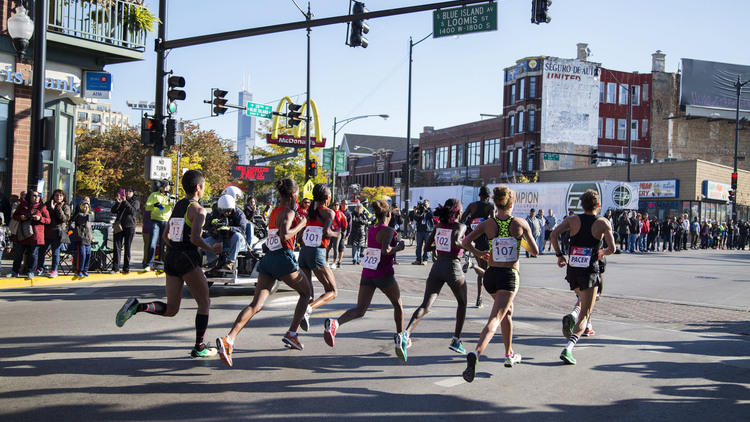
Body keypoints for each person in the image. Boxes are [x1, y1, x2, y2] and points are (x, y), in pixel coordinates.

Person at [116, 170, 223, 358]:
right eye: (204, 185)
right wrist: (212, 249)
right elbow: (195, 238)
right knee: (204, 302)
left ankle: (137, 306)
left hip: (171, 258)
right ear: (198, 187)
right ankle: (199, 347)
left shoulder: (179, 206)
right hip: (187, 258)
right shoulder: (198, 210)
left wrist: (176, 248)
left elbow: (166, 236)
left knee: (172, 309)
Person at [216, 178, 312, 367]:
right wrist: (302, 224)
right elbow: (285, 235)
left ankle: (230, 339)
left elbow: (281, 234)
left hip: (268, 260)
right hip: (283, 258)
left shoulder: (275, 211)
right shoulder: (288, 211)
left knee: (256, 304)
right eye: (298, 194)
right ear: (293, 195)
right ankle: (292, 333)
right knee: (306, 292)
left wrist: (297, 227)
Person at [461, 186, 539, 382]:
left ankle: (509, 353)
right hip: (508, 276)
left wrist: (479, 254)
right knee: (495, 318)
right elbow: (536, 251)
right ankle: (476, 353)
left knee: (507, 312)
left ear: (496, 204)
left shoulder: (488, 224)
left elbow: (465, 242)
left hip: (491, 275)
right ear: (512, 204)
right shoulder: (520, 224)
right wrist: (520, 241)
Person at [322, 200, 408, 361]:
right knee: (398, 306)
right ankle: (400, 337)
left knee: (360, 309)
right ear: (388, 214)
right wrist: (399, 248)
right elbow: (386, 250)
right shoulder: (388, 230)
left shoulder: (371, 229)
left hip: (368, 273)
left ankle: (336, 324)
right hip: (384, 273)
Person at [551, 189, 615, 365]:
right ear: (598, 205)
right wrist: (602, 252)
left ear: (581, 204)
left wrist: (559, 255)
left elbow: (553, 234)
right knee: (586, 314)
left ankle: (573, 312)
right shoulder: (602, 223)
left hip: (573, 270)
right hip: (590, 271)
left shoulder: (572, 220)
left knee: (581, 297)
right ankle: (569, 348)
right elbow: (613, 248)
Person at [405, 198, 468, 354]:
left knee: (425, 305)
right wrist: (473, 250)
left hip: (437, 267)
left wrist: (440, 246)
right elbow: (456, 240)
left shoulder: (439, 226)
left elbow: (426, 247)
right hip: (453, 266)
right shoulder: (461, 226)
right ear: (459, 212)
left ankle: (405, 334)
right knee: (462, 303)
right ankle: (456, 340)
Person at [298, 184, 340, 332]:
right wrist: (337, 234)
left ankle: (296, 328)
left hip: (304, 253)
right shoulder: (329, 212)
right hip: (317, 253)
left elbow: (300, 234)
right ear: (327, 198)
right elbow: (327, 232)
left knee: (308, 292)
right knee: (332, 291)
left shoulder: (309, 212)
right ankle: (309, 309)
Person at [460, 186, 495, 308]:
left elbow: (462, 219)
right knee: (487, 269)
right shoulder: (490, 207)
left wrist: (468, 230)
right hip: (485, 240)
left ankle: (479, 297)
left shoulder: (472, 205)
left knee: (482, 268)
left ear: (479, 195)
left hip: (473, 239)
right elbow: (493, 223)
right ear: (489, 196)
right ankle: (485, 297)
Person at [10, 190, 51, 279]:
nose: (36, 198)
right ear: (30, 196)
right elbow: (15, 216)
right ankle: (14, 271)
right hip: (23, 233)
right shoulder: (23, 205)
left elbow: (48, 220)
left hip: (36, 234)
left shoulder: (42, 207)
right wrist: (21, 217)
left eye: (38, 196)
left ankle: (31, 271)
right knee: (18, 253)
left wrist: (39, 218)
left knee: (33, 254)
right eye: (34, 196)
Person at [203, 194, 247, 272]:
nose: (227, 213)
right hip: (220, 238)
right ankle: (212, 260)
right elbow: (206, 227)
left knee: (237, 236)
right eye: (224, 211)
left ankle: (230, 261)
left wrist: (230, 228)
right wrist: (213, 227)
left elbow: (242, 229)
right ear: (219, 209)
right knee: (206, 241)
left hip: (235, 240)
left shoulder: (239, 214)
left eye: (229, 211)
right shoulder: (215, 213)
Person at [39, 189, 70, 278]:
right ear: (53, 196)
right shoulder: (47, 205)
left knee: (55, 252)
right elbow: (46, 216)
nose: (58, 197)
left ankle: (54, 270)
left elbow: (64, 219)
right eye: (56, 195)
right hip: (47, 231)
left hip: (58, 232)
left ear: (63, 197)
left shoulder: (65, 206)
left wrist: (57, 209)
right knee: (42, 251)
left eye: (60, 196)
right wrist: (51, 208)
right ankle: (40, 268)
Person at [144, 179, 174, 271]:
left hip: (166, 221)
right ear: (160, 187)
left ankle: (161, 263)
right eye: (163, 186)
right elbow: (147, 207)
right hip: (155, 220)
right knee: (153, 242)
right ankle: (149, 264)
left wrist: (171, 201)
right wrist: (155, 205)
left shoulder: (171, 196)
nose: (165, 188)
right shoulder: (154, 195)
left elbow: (174, 207)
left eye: (167, 186)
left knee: (163, 243)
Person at [112, 187, 139, 274]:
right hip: (119, 226)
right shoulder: (121, 201)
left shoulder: (135, 202)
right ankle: (115, 267)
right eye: (126, 191)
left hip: (129, 226)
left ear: (133, 193)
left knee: (127, 247)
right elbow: (113, 210)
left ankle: (126, 267)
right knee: (117, 246)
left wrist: (125, 202)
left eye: (130, 192)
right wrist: (118, 203)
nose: (127, 193)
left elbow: (133, 211)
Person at [70, 198, 93, 278]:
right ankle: (79, 269)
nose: (85, 208)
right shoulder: (79, 215)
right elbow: (81, 220)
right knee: (82, 254)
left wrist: (91, 237)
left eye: (87, 207)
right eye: (84, 206)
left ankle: (85, 270)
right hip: (81, 239)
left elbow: (90, 229)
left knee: (88, 254)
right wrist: (89, 215)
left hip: (88, 239)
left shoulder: (89, 216)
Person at [411, 200, 433, 265]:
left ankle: (425, 260)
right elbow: (415, 218)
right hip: (420, 231)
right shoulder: (420, 211)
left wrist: (426, 209)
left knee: (427, 246)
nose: (424, 205)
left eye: (426, 204)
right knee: (418, 246)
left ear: (428, 204)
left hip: (427, 231)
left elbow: (431, 216)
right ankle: (418, 260)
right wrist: (416, 211)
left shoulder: (430, 210)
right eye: (424, 204)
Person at [335, 200, 351, 268]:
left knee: (341, 247)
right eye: (343, 204)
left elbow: (350, 225)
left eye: (346, 204)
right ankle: (334, 261)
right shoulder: (336, 211)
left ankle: (339, 261)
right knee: (334, 246)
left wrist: (348, 235)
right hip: (335, 231)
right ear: (341, 204)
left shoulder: (348, 214)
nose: (344, 205)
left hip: (343, 232)